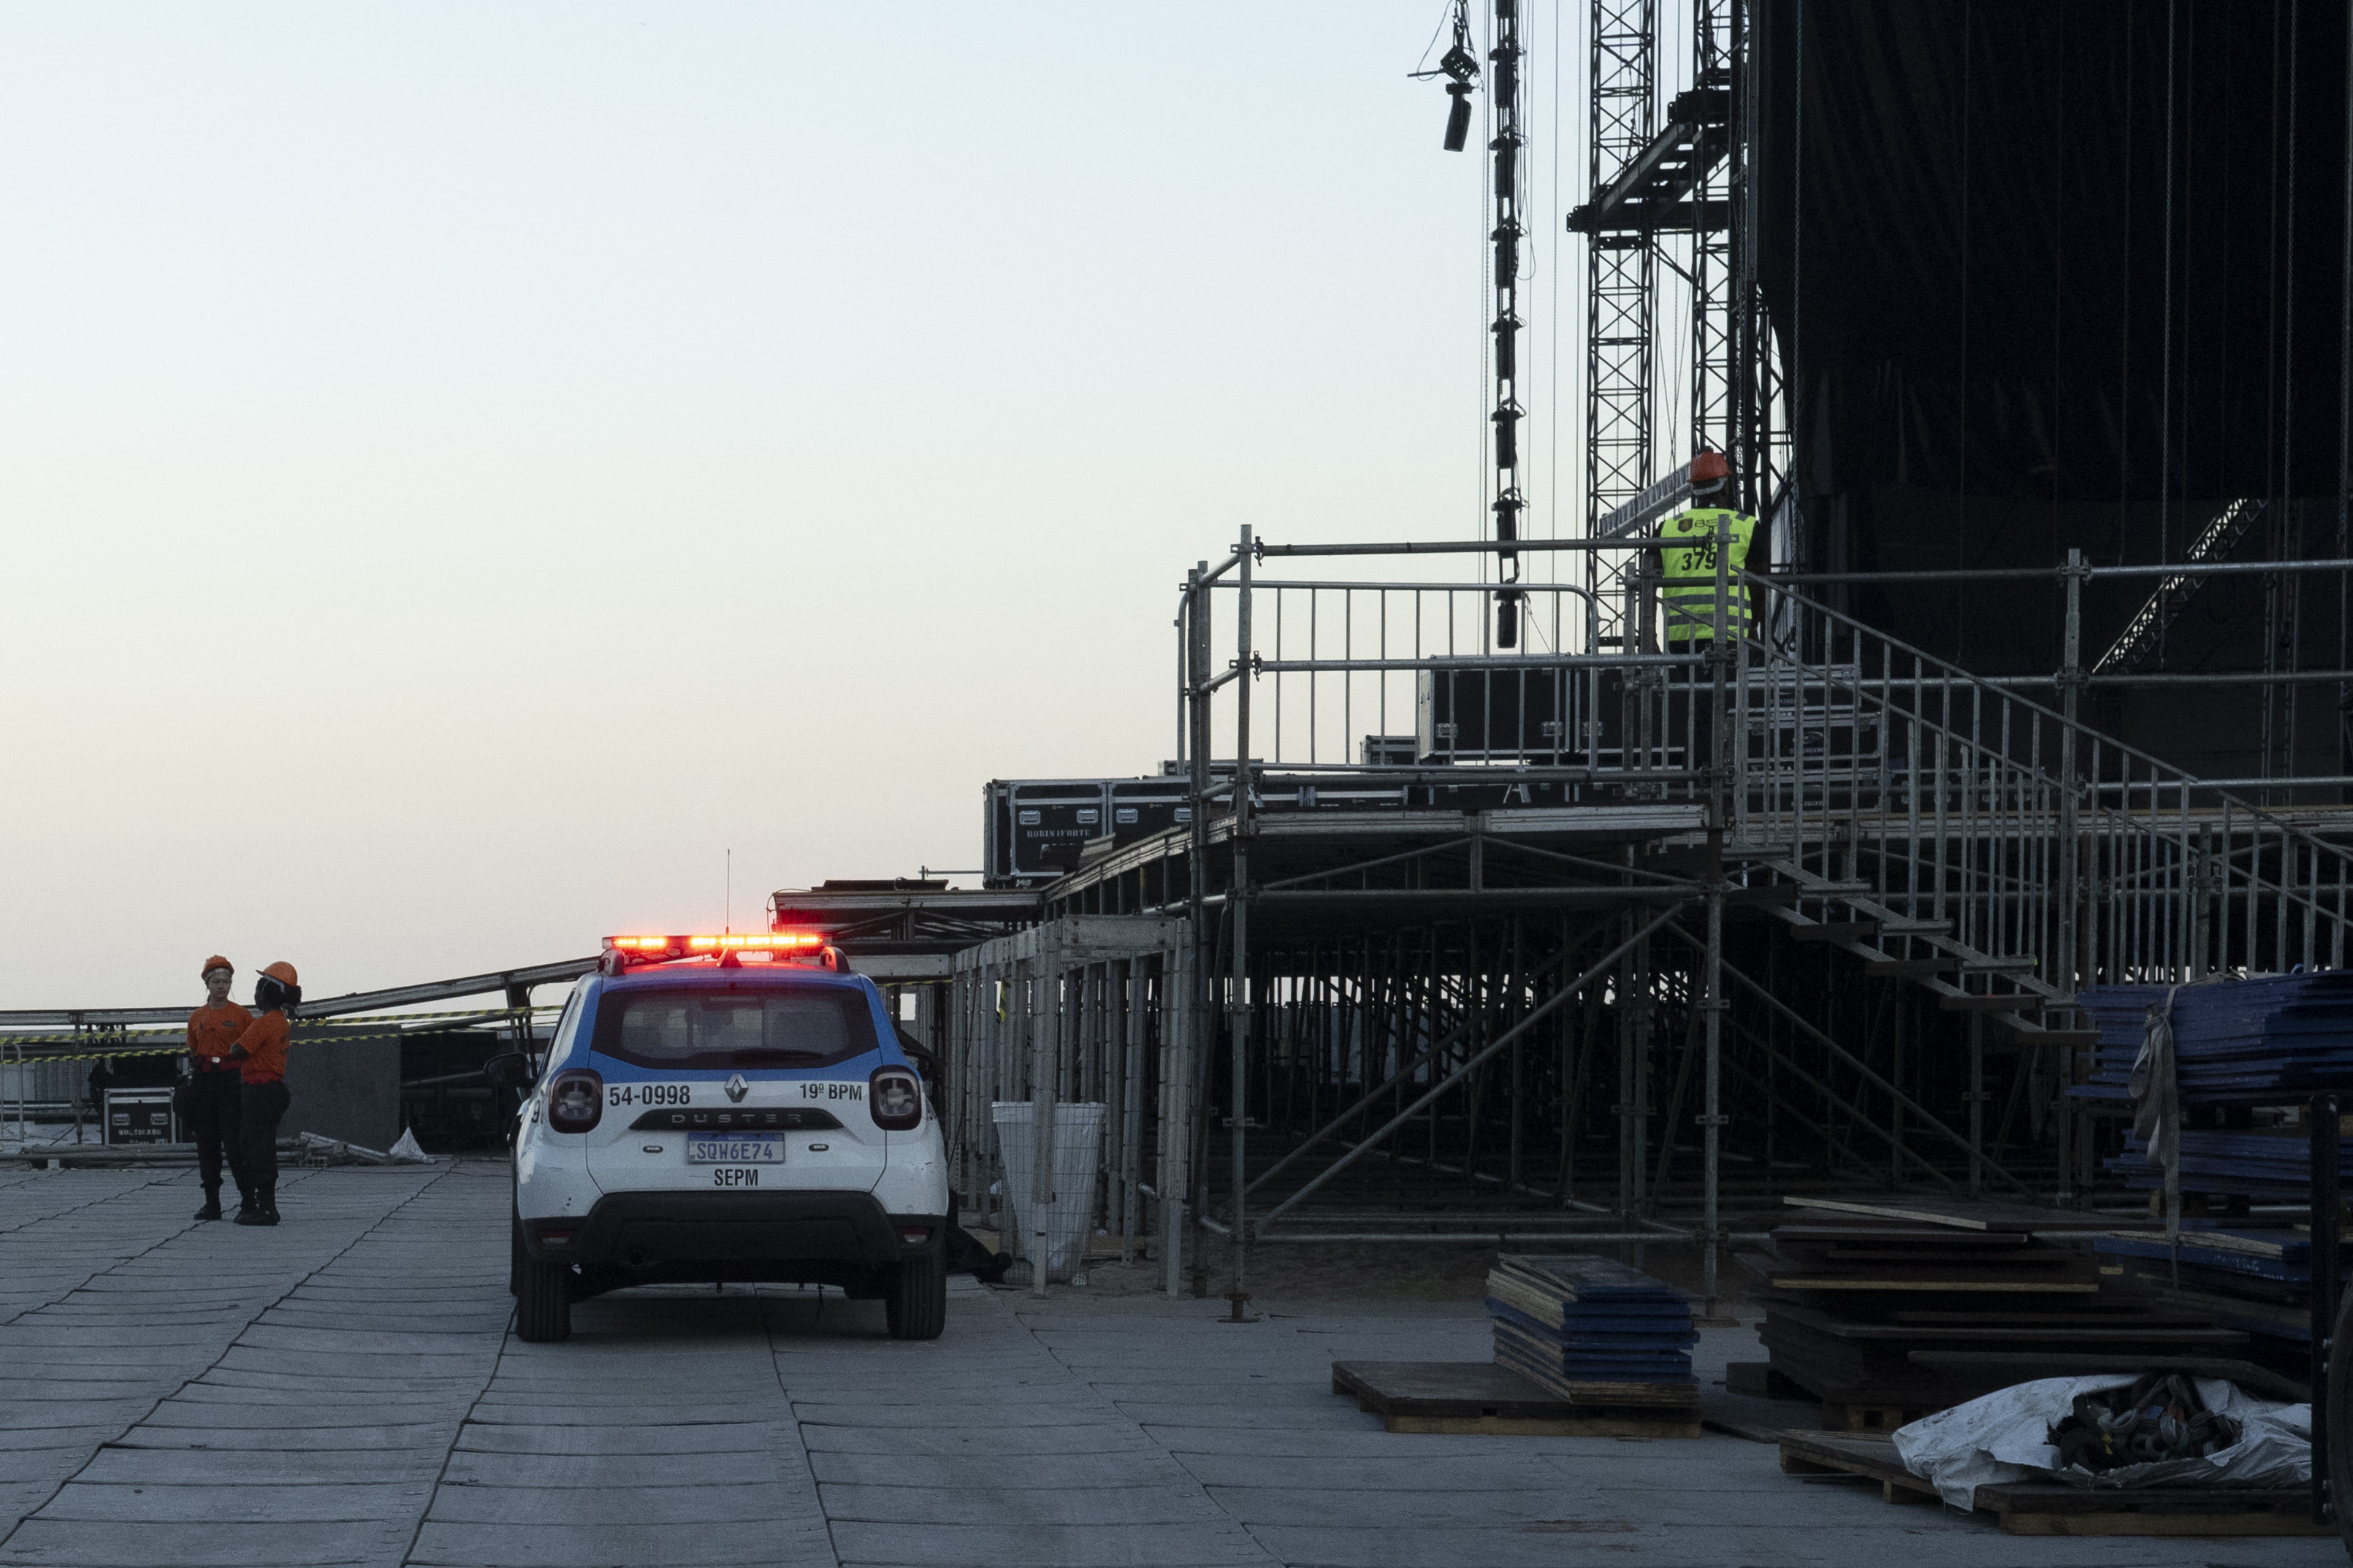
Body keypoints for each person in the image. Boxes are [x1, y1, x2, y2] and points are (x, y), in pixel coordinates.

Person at [1655, 450, 1761, 647]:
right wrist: (1753, 626)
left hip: (1681, 636)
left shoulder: (1668, 528)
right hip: (1733, 634)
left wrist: (1649, 637)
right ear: (1725, 486)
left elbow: (1647, 582)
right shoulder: (1747, 526)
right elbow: (1758, 584)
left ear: (1693, 488)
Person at [228, 961, 300, 1227]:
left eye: (259, 988)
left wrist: (233, 1041)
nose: (255, 994)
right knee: (262, 1145)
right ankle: (264, 1203)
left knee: (257, 1148)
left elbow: (238, 1051)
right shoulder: (281, 1021)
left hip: (259, 1090)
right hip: (272, 1090)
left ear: (268, 992)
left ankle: (267, 1207)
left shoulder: (265, 1023)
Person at [184, 956, 253, 1221]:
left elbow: (250, 1049)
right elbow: (193, 1048)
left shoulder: (241, 1015)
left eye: (226, 981)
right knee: (207, 1143)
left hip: (231, 1081)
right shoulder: (197, 1017)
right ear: (207, 983)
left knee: (235, 1143)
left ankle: (248, 1200)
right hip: (204, 1083)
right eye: (216, 981)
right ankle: (212, 1203)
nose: (221, 986)